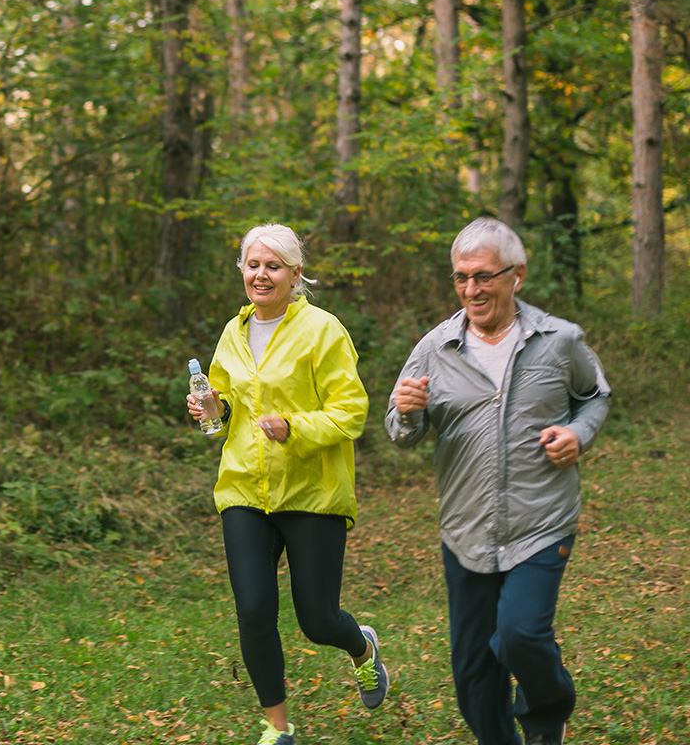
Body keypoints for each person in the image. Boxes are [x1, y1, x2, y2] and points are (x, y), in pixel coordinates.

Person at [385, 217, 610, 745]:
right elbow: (400, 432)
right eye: (461, 277)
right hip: (465, 529)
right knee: (472, 674)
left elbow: (594, 395)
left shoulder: (560, 341)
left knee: (520, 634)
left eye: (484, 276)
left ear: (517, 276)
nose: (471, 289)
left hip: (542, 520)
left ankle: (547, 713)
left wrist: (578, 433)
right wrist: (406, 411)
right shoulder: (435, 348)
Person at [187, 223, 388, 745]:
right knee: (254, 610)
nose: (261, 274)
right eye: (253, 265)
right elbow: (225, 410)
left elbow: (351, 412)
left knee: (318, 621)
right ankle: (278, 729)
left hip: (312, 494)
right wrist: (214, 408)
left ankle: (361, 647)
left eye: (273, 266)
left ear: (295, 275)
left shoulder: (323, 330)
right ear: (242, 271)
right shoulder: (232, 333)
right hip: (244, 492)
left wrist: (293, 427)